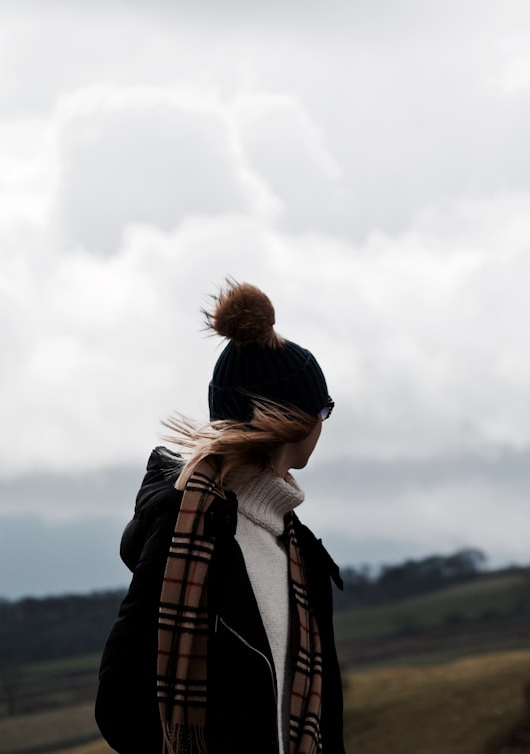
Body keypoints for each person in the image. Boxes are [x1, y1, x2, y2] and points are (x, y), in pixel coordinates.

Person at [96, 280, 345, 754]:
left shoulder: (301, 553)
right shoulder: (186, 531)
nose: (324, 423)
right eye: (324, 409)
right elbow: (119, 703)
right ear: (296, 419)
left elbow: (324, 722)